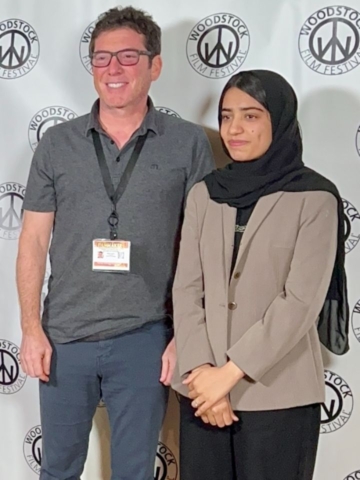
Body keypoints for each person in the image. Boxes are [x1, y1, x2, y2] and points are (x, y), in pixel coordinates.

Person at [16, 6, 214, 480]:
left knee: (134, 472)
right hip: (64, 338)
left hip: (146, 338)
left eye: (128, 56)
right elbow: (33, 239)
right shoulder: (57, 144)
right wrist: (30, 328)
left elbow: (203, 247)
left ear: (155, 65)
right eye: (102, 58)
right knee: (58, 469)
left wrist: (184, 335)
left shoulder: (188, 144)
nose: (113, 70)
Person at [171, 70, 349, 480]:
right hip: (200, 392)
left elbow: (301, 302)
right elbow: (187, 287)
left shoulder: (315, 197)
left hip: (278, 394)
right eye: (227, 116)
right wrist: (202, 373)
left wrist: (228, 377)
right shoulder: (205, 193)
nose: (234, 129)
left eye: (251, 116)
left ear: (280, 120)